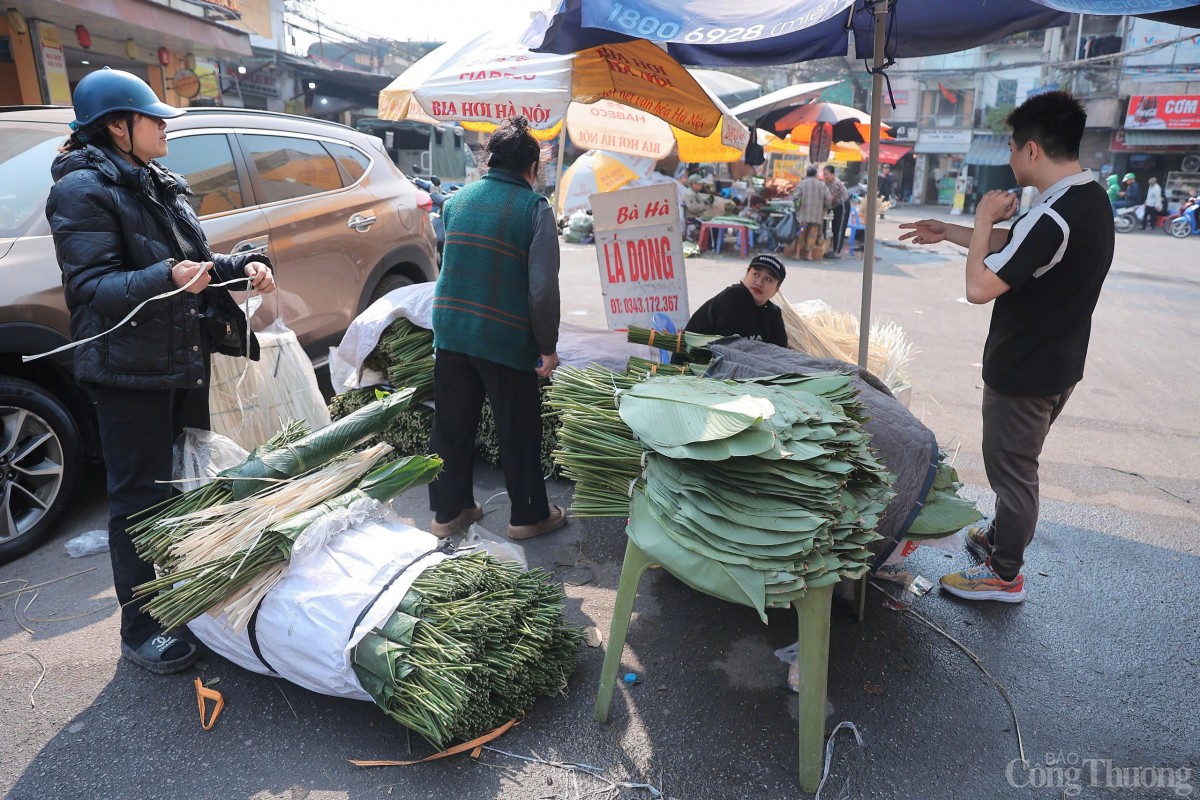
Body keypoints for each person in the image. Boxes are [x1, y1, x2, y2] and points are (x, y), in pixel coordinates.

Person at [46, 68, 275, 673]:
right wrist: (164, 278)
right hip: (128, 371)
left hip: (177, 361)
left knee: (180, 482)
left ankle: (178, 595)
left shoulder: (153, 180)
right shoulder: (82, 190)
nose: (165, 126)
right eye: (154, 118)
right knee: (140, 499)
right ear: (118, 128)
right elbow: (91, 287)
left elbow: (187, 261)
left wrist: (242, 265)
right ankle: (140, 626)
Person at [898, 90, 1113, 603]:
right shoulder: (1087, 199)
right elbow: (1016, 245)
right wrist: (946, 231)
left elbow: (980, 288)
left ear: (1033, 150)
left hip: (1025, 370)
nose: (1009, 158)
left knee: (1012, 473)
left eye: (1013, 147)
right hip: (1059, 364)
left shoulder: (1050, 217)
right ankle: (998, 539)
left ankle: (1004, 573)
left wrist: (977, 221)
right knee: (1018, 463)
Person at [427, 115, 566, 542]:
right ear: (532, 167)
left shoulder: (455, 202)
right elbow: (541, 290)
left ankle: (449, 513)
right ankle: (527, 518)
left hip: (450, 330)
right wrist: (547, 346)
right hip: (503, 337)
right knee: (518, 427)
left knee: (450, 427)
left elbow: (448, 259)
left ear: (490, 160)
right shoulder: (534, 209)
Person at [685, 254, 789, 347]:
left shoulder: (773, 313)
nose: (759, 282)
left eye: (768, 279)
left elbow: (781, 353)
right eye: (756, 274)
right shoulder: (734, 297)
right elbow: (730, 351)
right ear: (747, 274)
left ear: (776, 289)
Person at [790, 166, 831, 259]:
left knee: (801, 233)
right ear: (815, 174)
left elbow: (796, 197)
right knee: (812, 234)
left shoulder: (802, 184)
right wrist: (825, 207)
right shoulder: (822, 184)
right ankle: (809, 255)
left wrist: (797, 208)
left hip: (803, 214)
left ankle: (797, 254)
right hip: (816, 214)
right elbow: (828, 198)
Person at [822, 165, 851, 258]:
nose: (825, 176)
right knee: (834, 228)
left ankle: (837, 252)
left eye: (826, 174)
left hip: (842, 206)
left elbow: (830, 198)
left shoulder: (836, 183)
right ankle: (834, 249)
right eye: (824, 174)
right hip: (835, 207)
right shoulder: (827, 183)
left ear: (833, 174)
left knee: (839, 229)